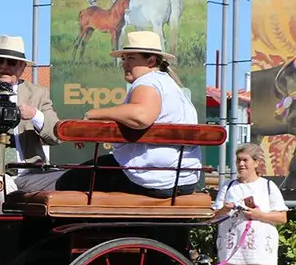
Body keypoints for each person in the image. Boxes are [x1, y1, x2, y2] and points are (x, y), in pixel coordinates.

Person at [13, 30, 203, 197]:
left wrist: (94, 114)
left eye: (131, 59)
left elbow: (141, 116)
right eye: (124, 59)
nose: (125, 64)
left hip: (150, 178)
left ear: (151, 60)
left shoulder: (147, 82)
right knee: (89, 169)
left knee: (69, 180)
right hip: (184, 178)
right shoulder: (173, 87)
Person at [0, 35, 60, 187]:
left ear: (22, 67)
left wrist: (35, 115)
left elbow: (56, 135)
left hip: (32, 173)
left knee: (68, 179)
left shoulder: (38, 94)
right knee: (4, 186)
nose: (4, 66)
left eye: (12, 62)